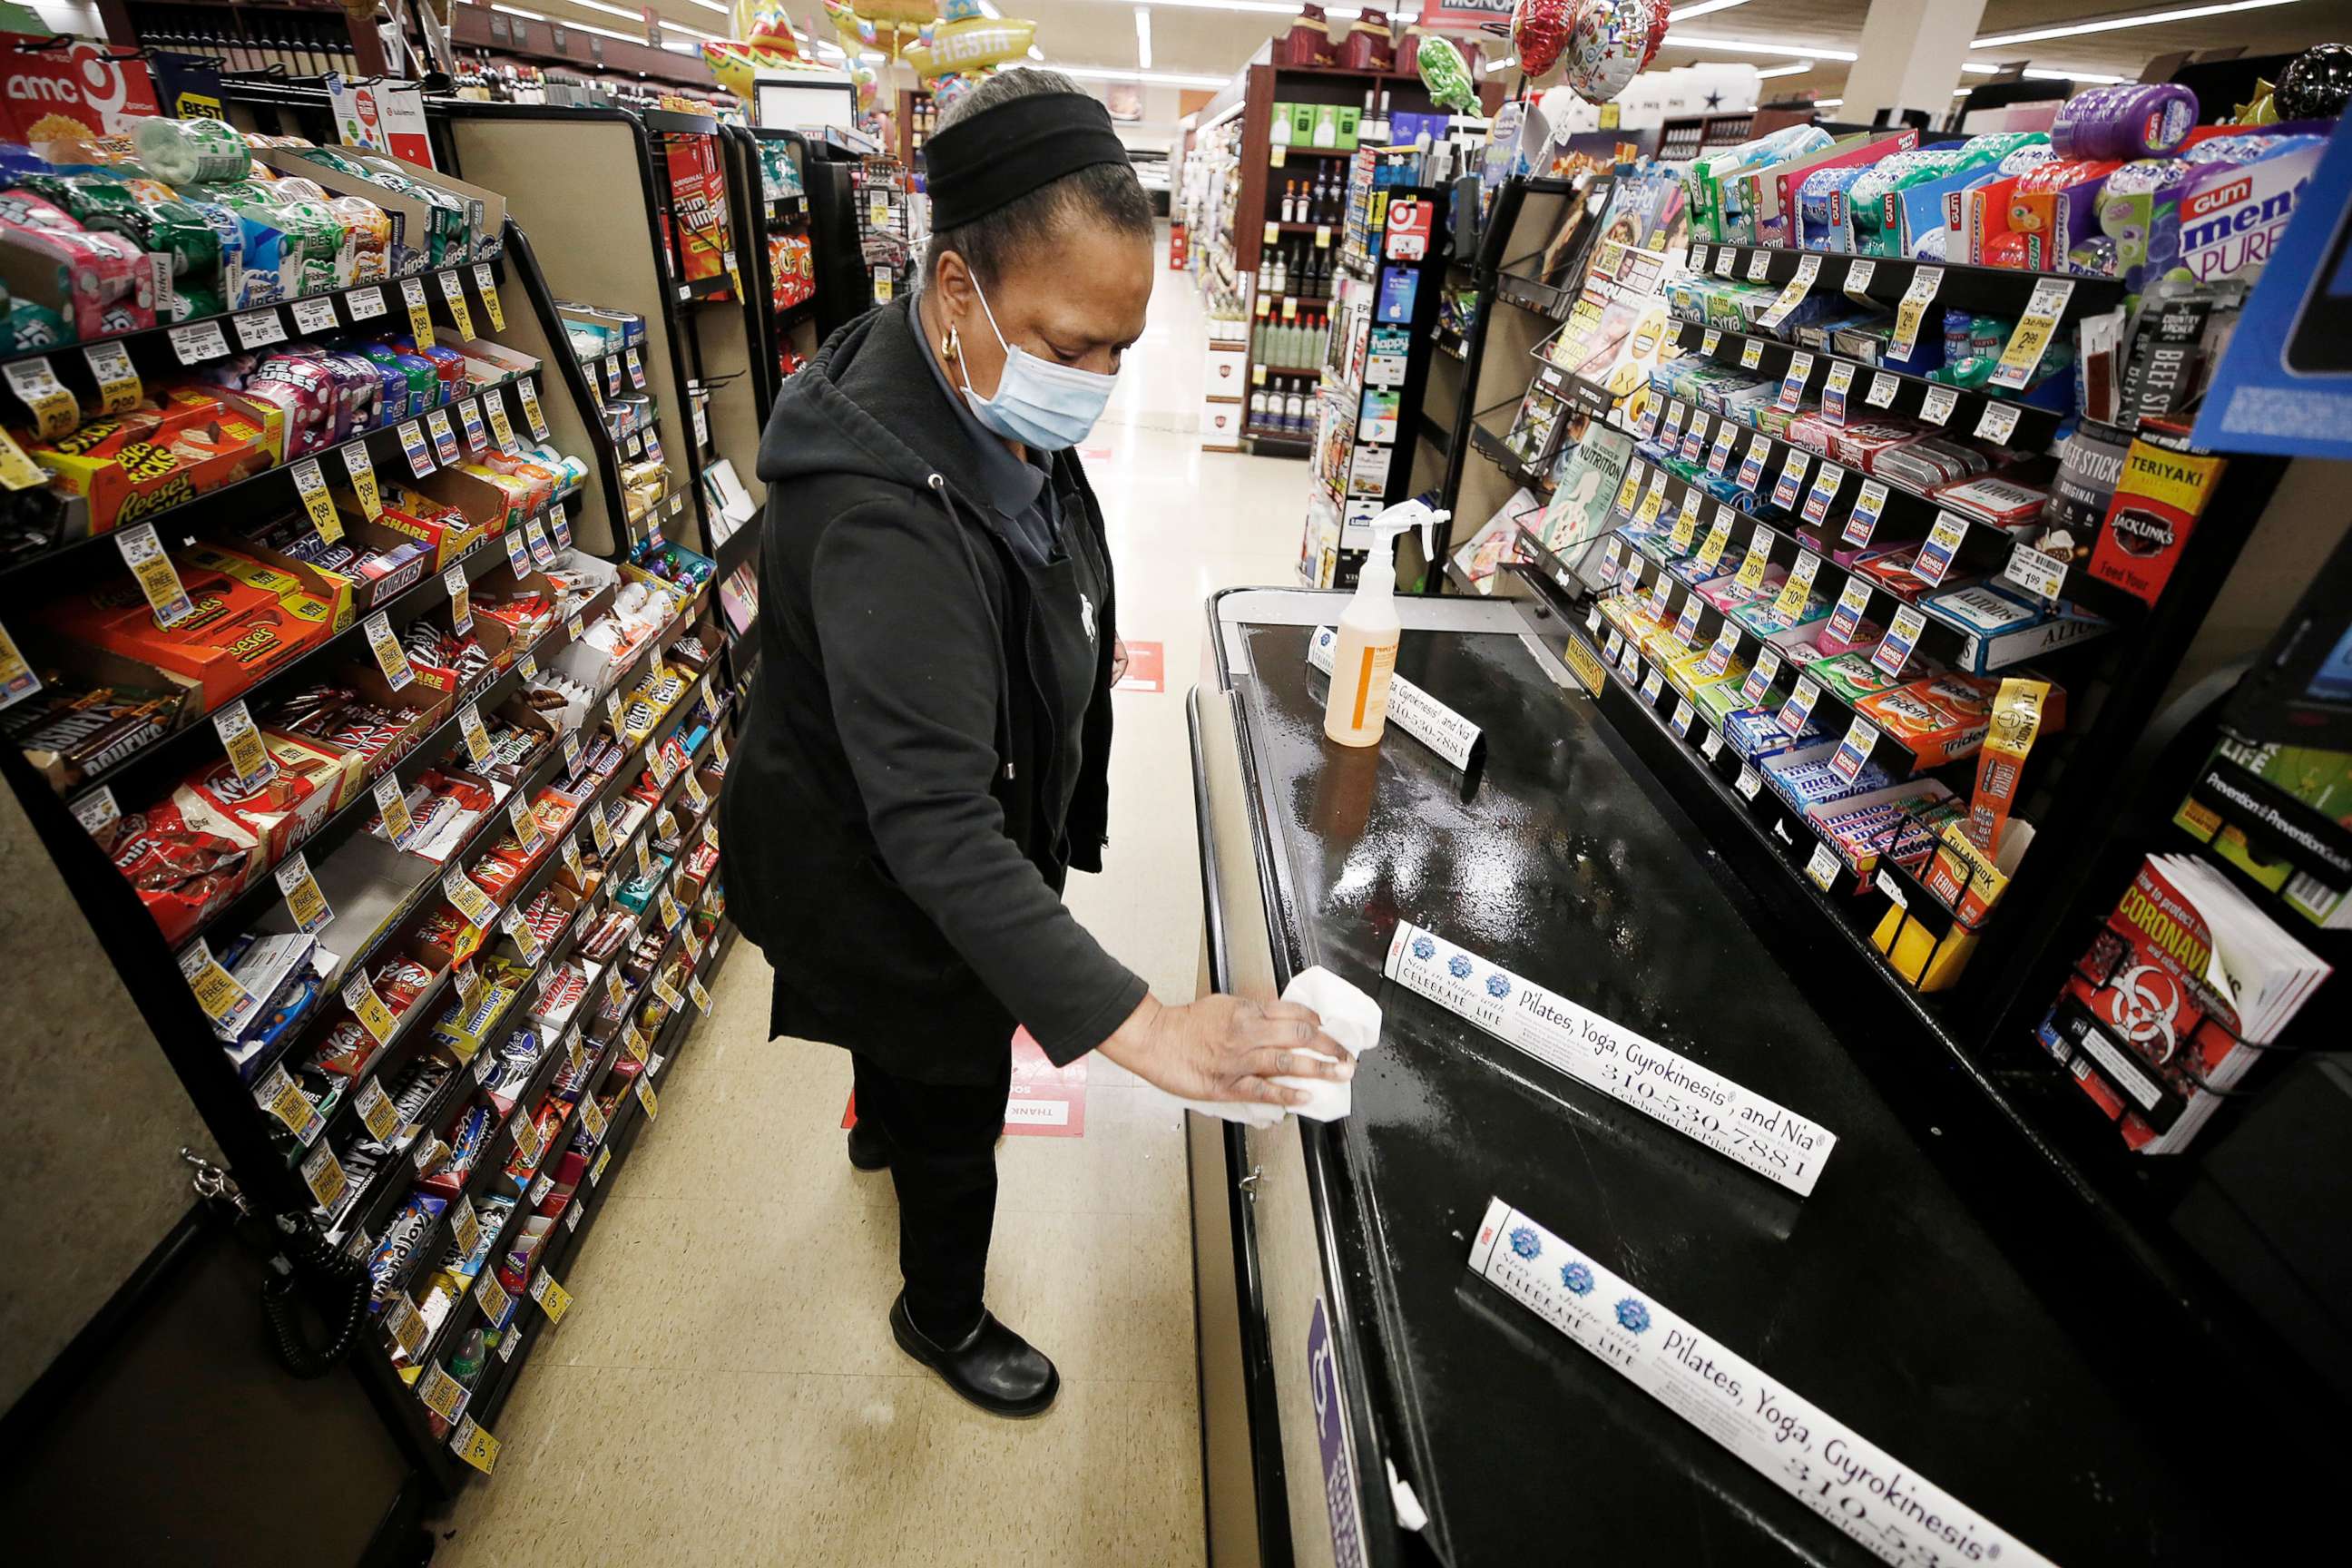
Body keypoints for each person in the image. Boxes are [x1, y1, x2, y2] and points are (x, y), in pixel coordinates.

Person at [717, 71, 1348, 1419]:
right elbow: (937, 829)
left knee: (892, 1061)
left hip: (858, 824)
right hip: (884, 879)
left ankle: (879, 1120)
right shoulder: (887, 513)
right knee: (957, 1105)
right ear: (958, 291)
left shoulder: (962, 379)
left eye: (1123, 349)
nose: (1101, 389)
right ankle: (939, 1312)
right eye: (1075, 350)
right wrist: (1144, 1026)